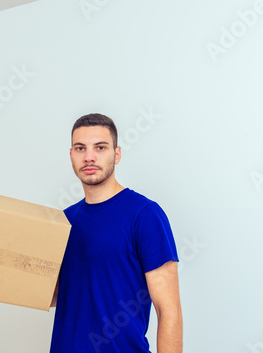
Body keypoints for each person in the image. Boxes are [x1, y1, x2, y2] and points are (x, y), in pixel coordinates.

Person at [49, 114, 183, 353]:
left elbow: (169, 310)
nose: (89, 156)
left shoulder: (144, 215)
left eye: (100, 147)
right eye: (80, 148)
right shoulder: (64, 220)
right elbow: (59, 294)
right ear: (71, 155)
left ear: (117, 154)